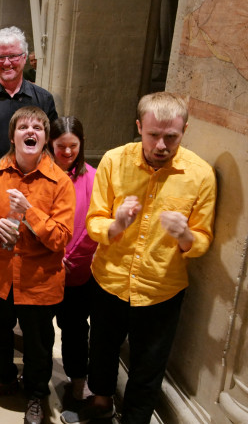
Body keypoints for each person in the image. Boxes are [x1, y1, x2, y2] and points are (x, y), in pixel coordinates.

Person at [61, 92, 217, 424]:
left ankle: (135, 418)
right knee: (102, 348)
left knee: (149, 364)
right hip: (110, 279)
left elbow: (203, 240)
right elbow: (94, 221)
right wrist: (117, 223)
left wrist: (185, 235)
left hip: (162, 287)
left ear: (184, 131)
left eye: (171, 136)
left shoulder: (201, 175)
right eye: (153, 135)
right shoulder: (115, 161)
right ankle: (101, 402)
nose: (162, 145)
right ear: (139, 127)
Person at [0, 106, 75, 424]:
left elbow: (60, 238)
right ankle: (3, 377)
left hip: (38, 280)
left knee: (38, 345)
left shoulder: (60, 183)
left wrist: (29, 212)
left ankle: (35, 394)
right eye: (23, 127)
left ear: (45, 139)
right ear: (12, 136)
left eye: (38, 128)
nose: (30, 132)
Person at [48, 117, 97, 402]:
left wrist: (68, 257)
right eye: (61, 146)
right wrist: (53, 255)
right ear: (50, 145)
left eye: (73, 147)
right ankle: (36, 378)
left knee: (76, 328)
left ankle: (78, 379)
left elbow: (93, 226)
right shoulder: (41, 173)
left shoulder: (91, 176)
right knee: (40, 329)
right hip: (44, 266)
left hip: (77, 268)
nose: (67, 153)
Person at [0, 27, 57, 160]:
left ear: (24, 58)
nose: (7, 63)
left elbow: (51, 145)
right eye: (0, 57)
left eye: (13, 56)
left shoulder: (44, 99)